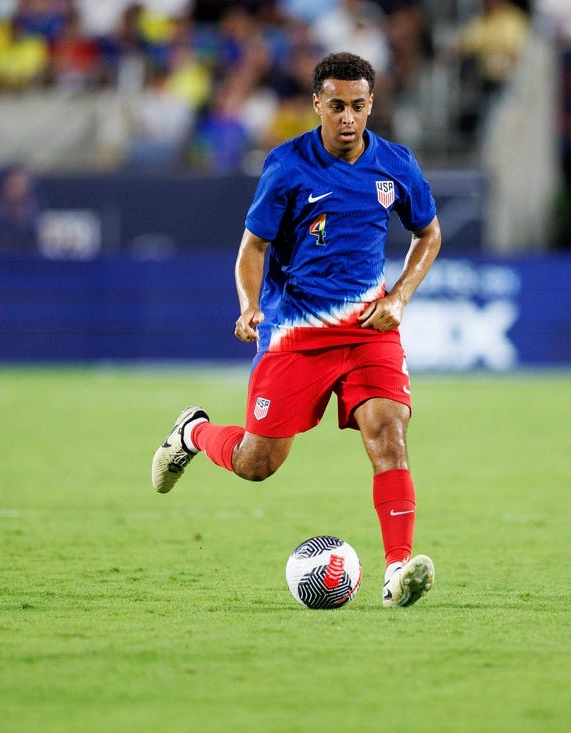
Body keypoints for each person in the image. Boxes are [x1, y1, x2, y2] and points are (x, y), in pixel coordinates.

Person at [151, 52, 441, 609]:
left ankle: (397, 570)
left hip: (368, 330)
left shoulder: (396, 164)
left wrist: (400, 297)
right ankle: (194, 434)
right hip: (295, 334)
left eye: (358, 106)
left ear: (372, 104)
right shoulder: (287, 166)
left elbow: (428, 234)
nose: (348, 118)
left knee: (389, 435)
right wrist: (248, 306)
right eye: (337, 106)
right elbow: (252, 247)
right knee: (257, 464)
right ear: (316, 104)